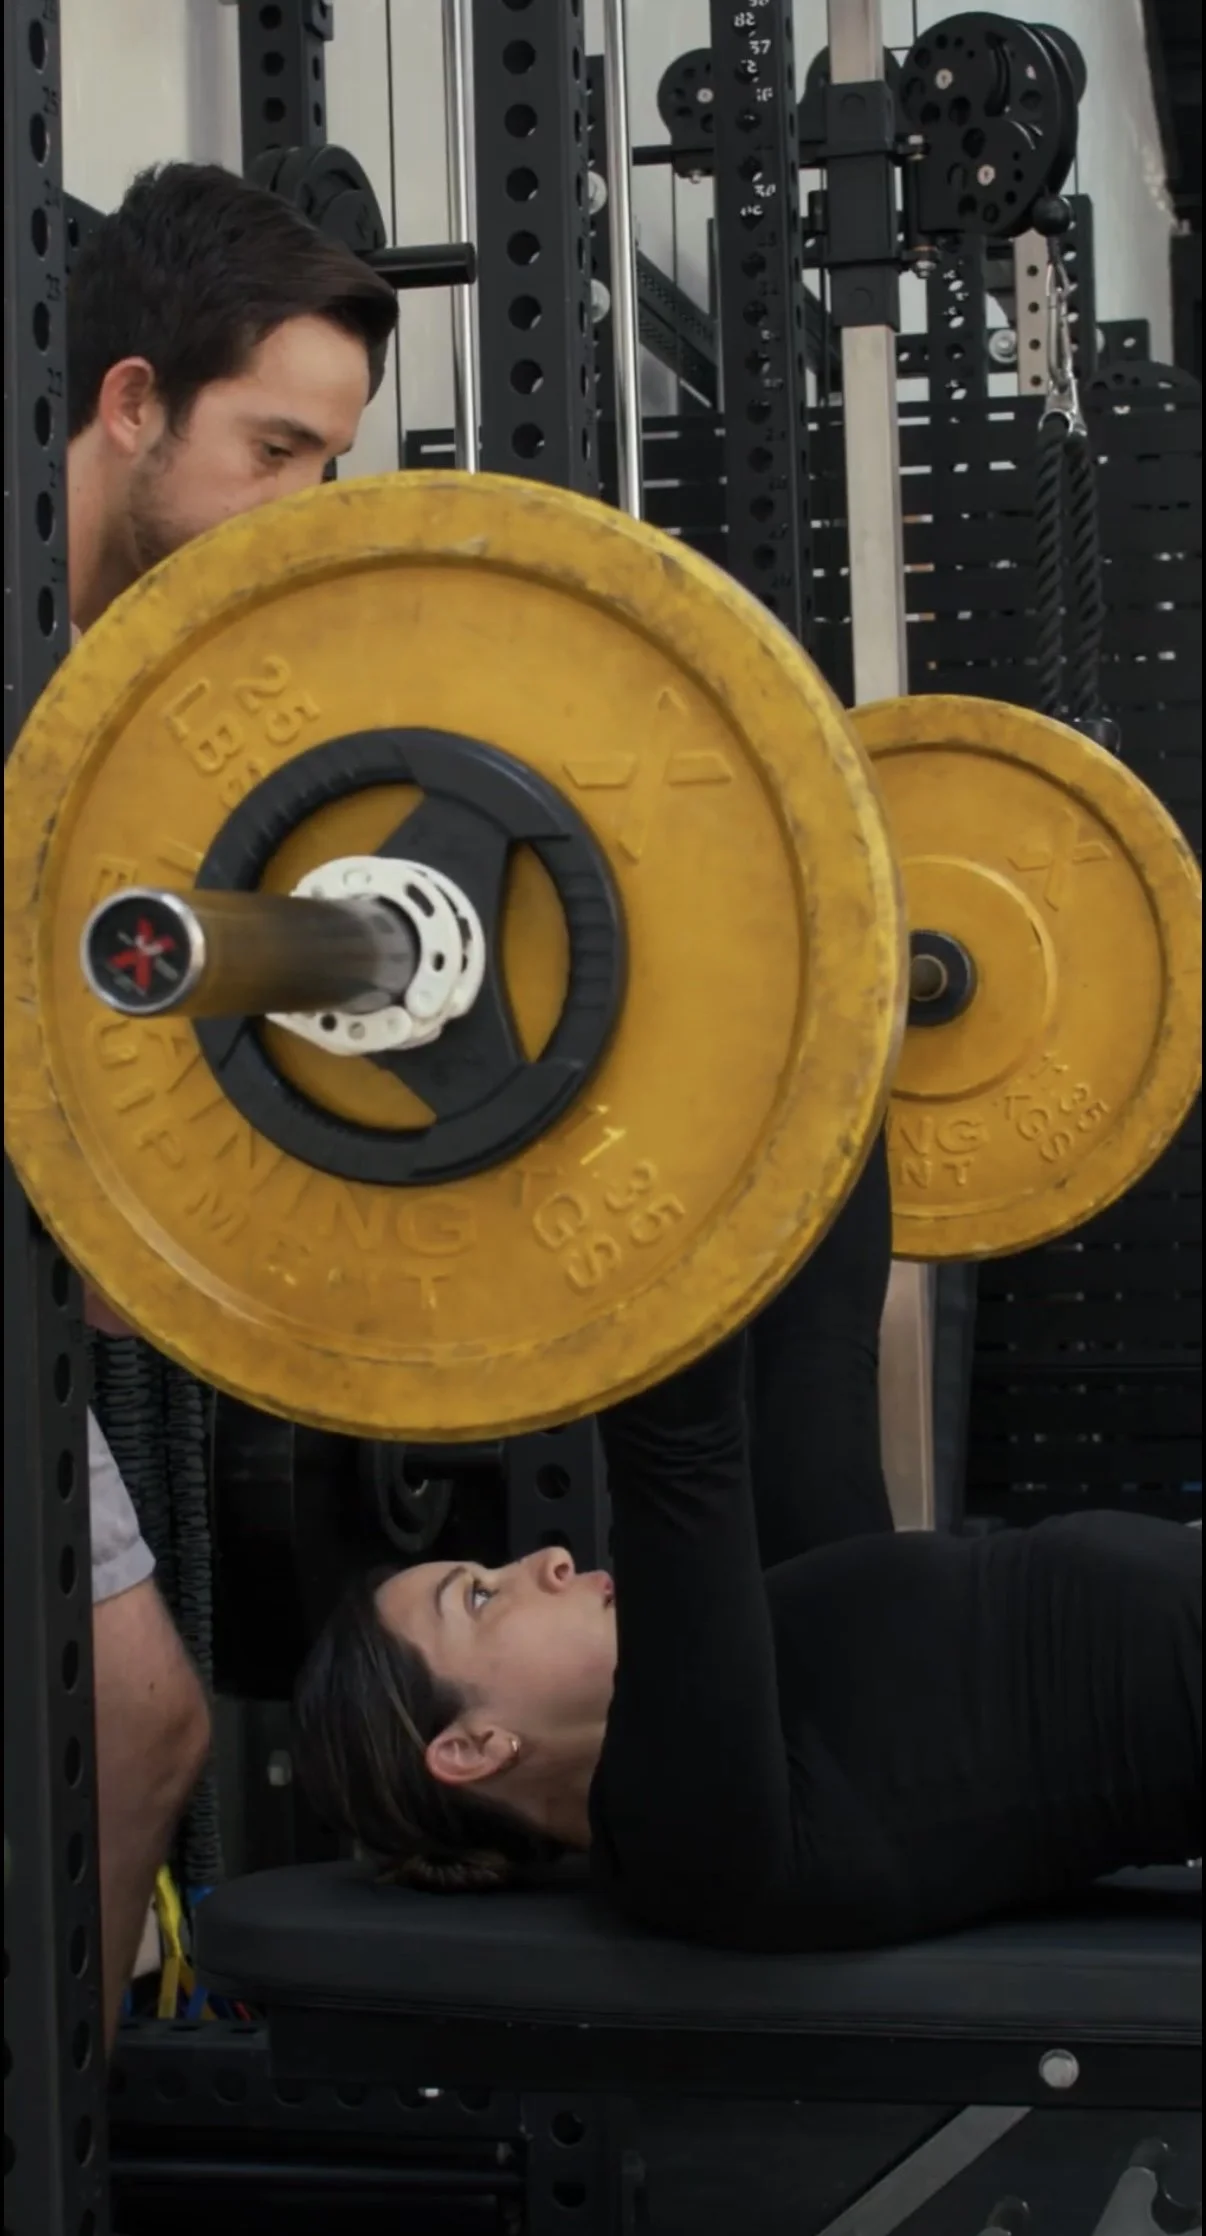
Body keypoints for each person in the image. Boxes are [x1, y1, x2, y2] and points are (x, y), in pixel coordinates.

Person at [294, 1132, 1201, 1947]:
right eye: (480, 1596)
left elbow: (820, 1339)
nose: (550, 1561)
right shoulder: (682, 1842)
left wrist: (848, 1036)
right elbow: (677, 1441)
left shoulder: (784, 1678)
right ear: (474, 1746)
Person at [69, 160, 398, 2041]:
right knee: (137, 1721)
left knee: (141, 1729)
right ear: (134, 404)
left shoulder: (148, 676)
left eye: (328, 465)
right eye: (270, 450)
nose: (301, 509)